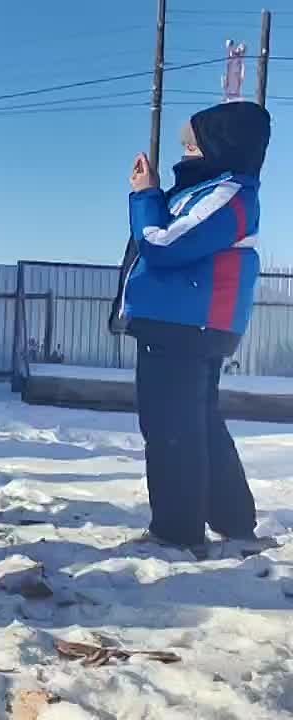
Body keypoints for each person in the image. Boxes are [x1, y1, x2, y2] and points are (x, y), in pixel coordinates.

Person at [121, 101, 270, 557]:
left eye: (194, 143)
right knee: (198, 423)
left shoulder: (229, 194)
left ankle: (177, 531)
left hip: (187, 325)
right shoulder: (207, 190)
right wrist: (155, 192)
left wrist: (146, 196)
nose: (185, 151)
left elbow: (163, 245)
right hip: (183, 323)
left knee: (171, 428)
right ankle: (233, 520)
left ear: (222, 145)